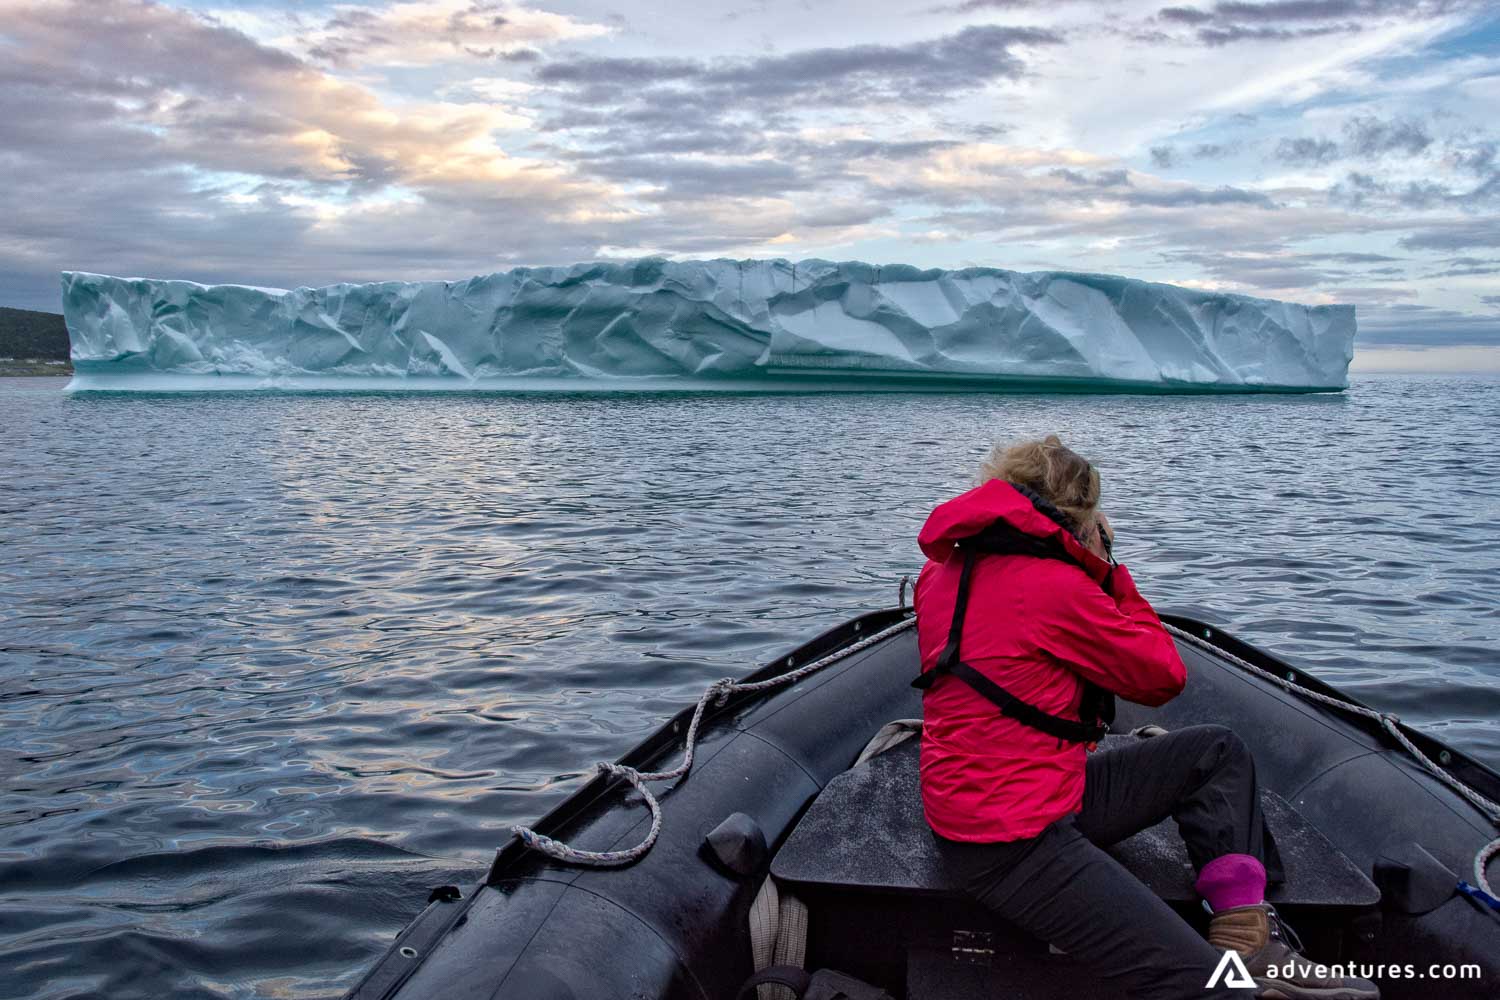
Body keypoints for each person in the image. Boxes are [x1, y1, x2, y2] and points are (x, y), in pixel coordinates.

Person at [914, 435, 1378, 1000]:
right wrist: (1107, 566)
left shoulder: (942, 575)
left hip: (1032, 796)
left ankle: (1246, 937)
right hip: (1010, 842)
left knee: (1214, 753)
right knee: (1209, 989)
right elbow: (1161, 676)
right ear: (1080, 515)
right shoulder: (1056, 588)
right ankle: (1236, 972)